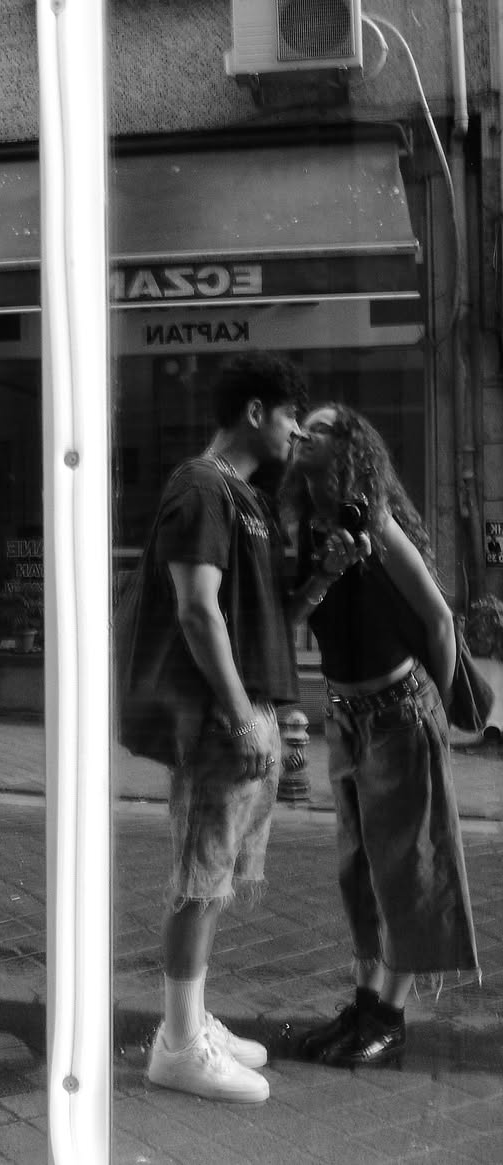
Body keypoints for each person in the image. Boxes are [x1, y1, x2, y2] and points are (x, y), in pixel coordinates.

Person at [124, 351, 309, 1103]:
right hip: (219, 721)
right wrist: (239, 716)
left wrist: (325, 572)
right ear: (256, 413)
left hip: (245, 715)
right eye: (291, 416)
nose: (297, 432)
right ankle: (178, 1045)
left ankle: (192, 1017)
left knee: (218, 876)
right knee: (200, 879)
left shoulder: (246, 496)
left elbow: (259, 615)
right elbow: (197, 610)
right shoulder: (202, 487)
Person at [282, 403, 479, 1068]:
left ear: (347, 447)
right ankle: (365, 1004)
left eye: (320, 428)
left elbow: (440, 619)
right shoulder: (310, 526)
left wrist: (438, 709)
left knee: (407, 872)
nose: (303, 434)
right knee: (358, 872)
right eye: (302, 427)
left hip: (400, 713)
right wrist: (327, 570)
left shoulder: (376, 518)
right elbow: (295, 615)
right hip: (345, 717)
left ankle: (390, 1018)